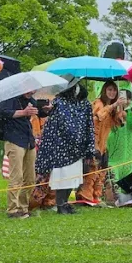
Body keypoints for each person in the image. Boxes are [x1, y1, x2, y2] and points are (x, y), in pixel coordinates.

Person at [35, 84, 96, 214]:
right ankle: (60, 204)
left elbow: (89, 125)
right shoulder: (59, 102)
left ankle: (65, 202)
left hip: (77, 147)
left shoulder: (84, 104)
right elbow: (53, 124)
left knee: (73, 177)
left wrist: (88, 146)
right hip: (61, 147)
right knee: (62, 177)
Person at [0, 91, 46, 219]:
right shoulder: (10, 98)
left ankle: (23, 207)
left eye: (34, 89)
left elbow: (38, 113)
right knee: (16, 177)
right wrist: (23, 112)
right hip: (14, 140)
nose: (32, 92)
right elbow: (3, 112)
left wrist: (46, 110)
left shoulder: (32, 100)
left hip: (28, 141)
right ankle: (12, 209)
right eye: (30, 89)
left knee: (30, 178)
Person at [76, 80, 124, 206]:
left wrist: (120, 109)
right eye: (109, 90)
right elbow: (99, 116)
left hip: (104, 144)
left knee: (101, 171)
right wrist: (112, 106)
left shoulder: (113, 107)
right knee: (91, 171)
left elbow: (119, 124)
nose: (112, 92)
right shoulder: (98, 103)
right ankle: (84, 196)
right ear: (104, 91)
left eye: (114, 90)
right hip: (93, 141)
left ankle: (95, 196)